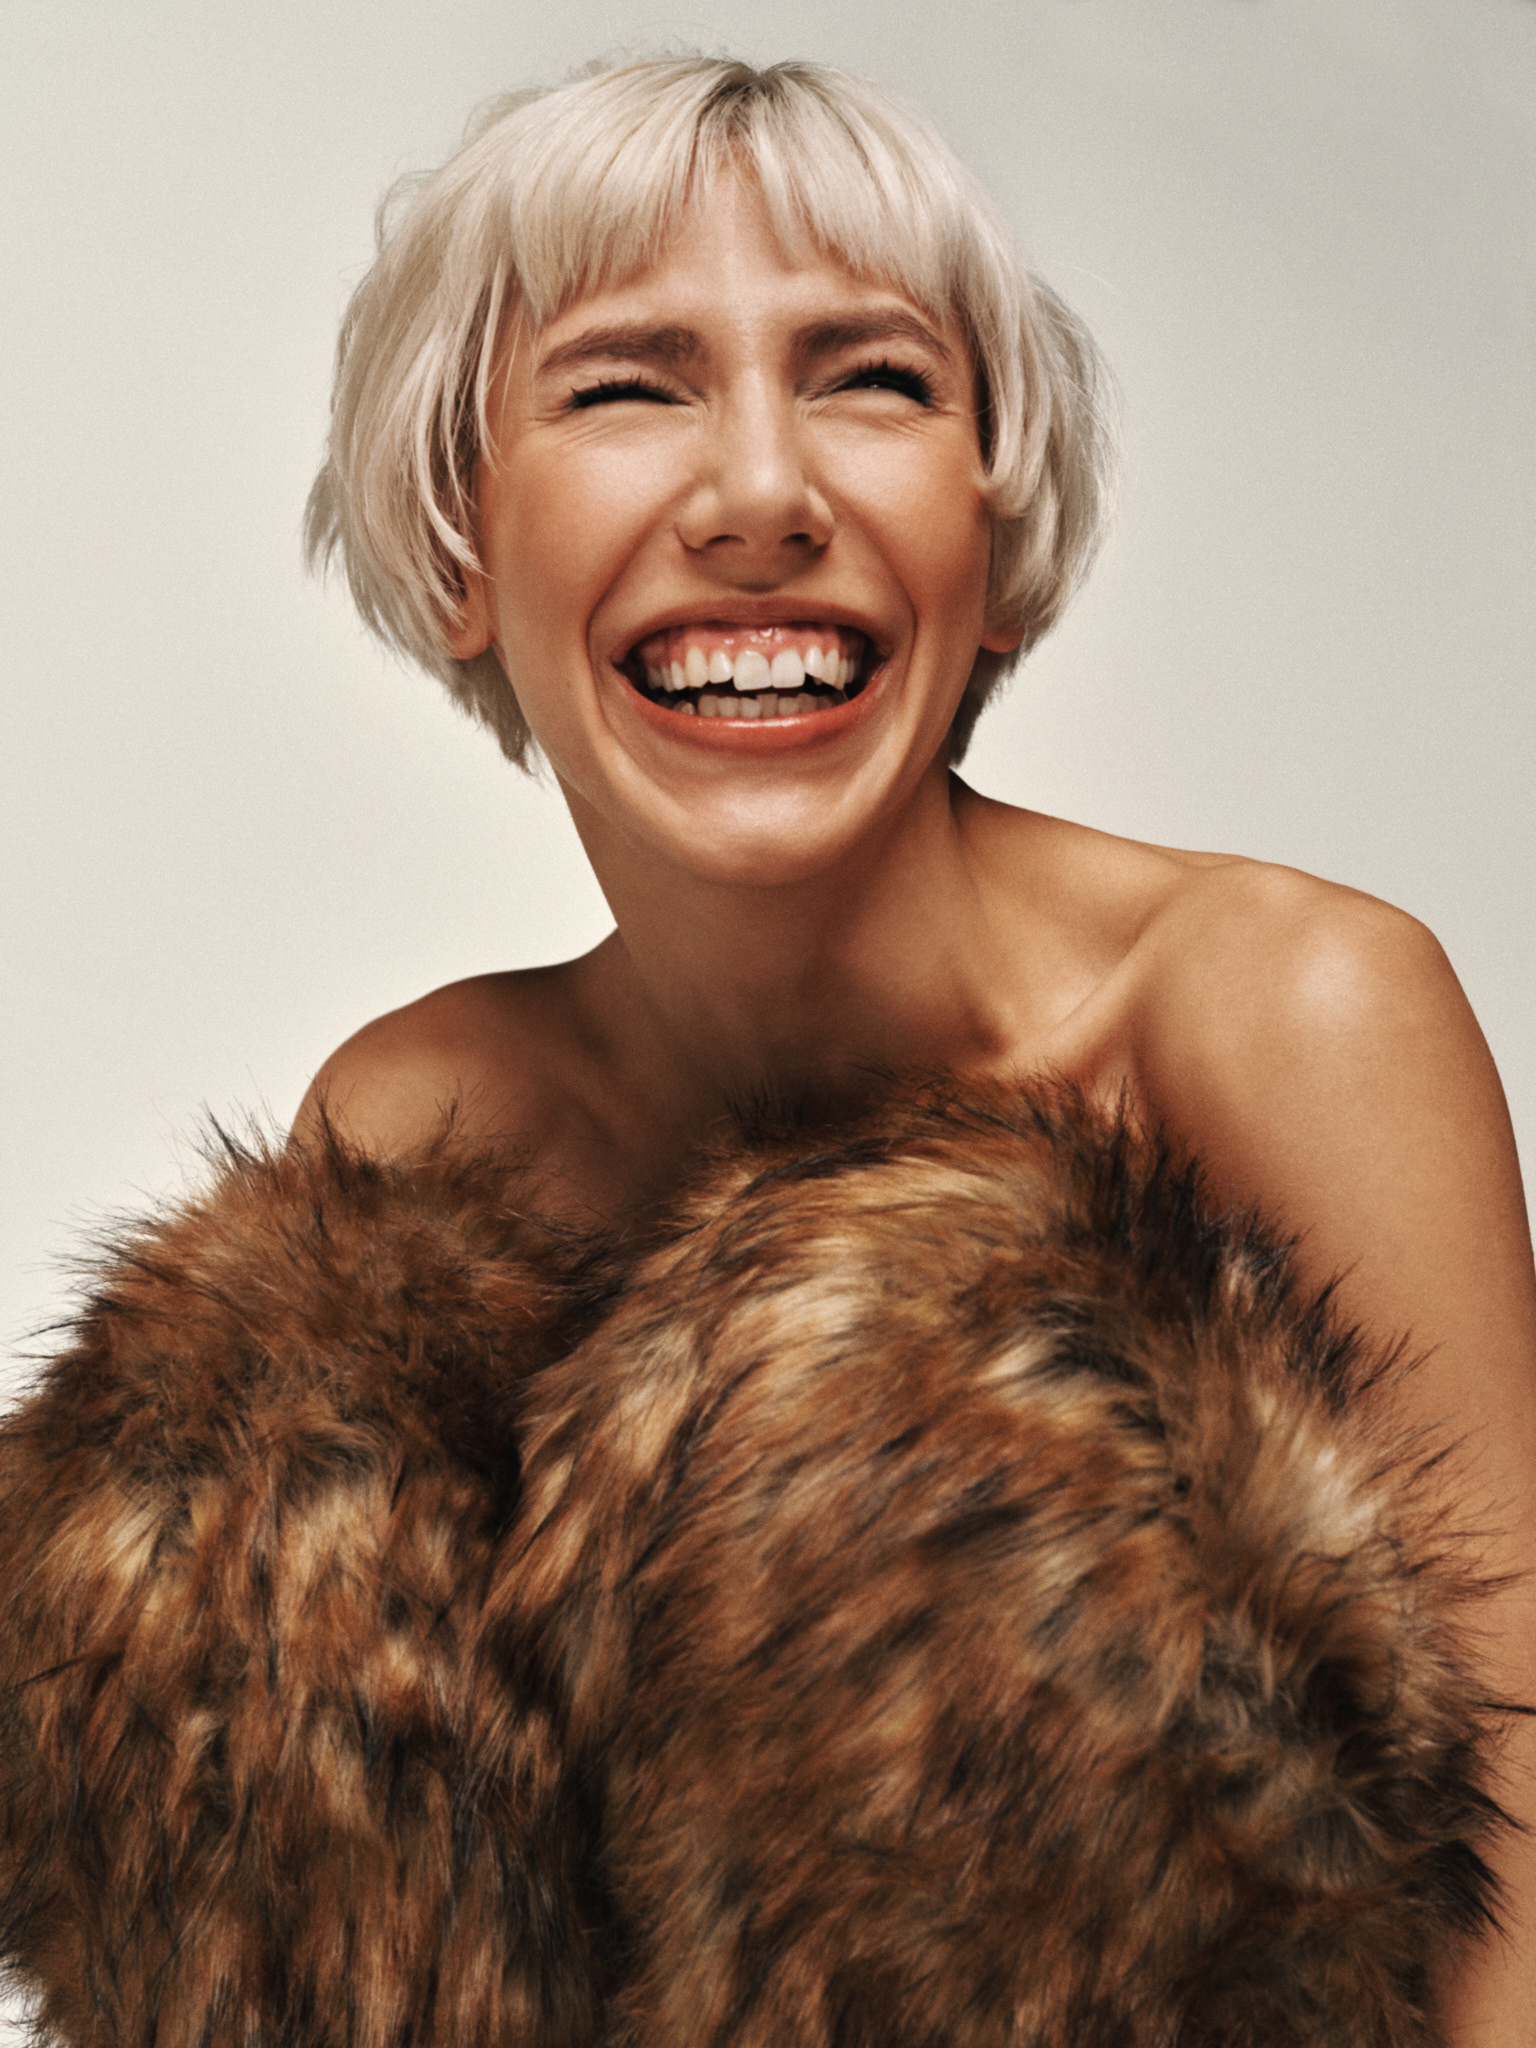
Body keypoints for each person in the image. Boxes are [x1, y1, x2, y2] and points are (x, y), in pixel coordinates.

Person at [4, 54, 1533, 2046]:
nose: (759, 497)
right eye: (625, 388)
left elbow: (1518, 1879)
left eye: (873, 380)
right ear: (462, 545)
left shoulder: (1275, 1013)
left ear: (991, 529)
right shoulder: (423, 1136)